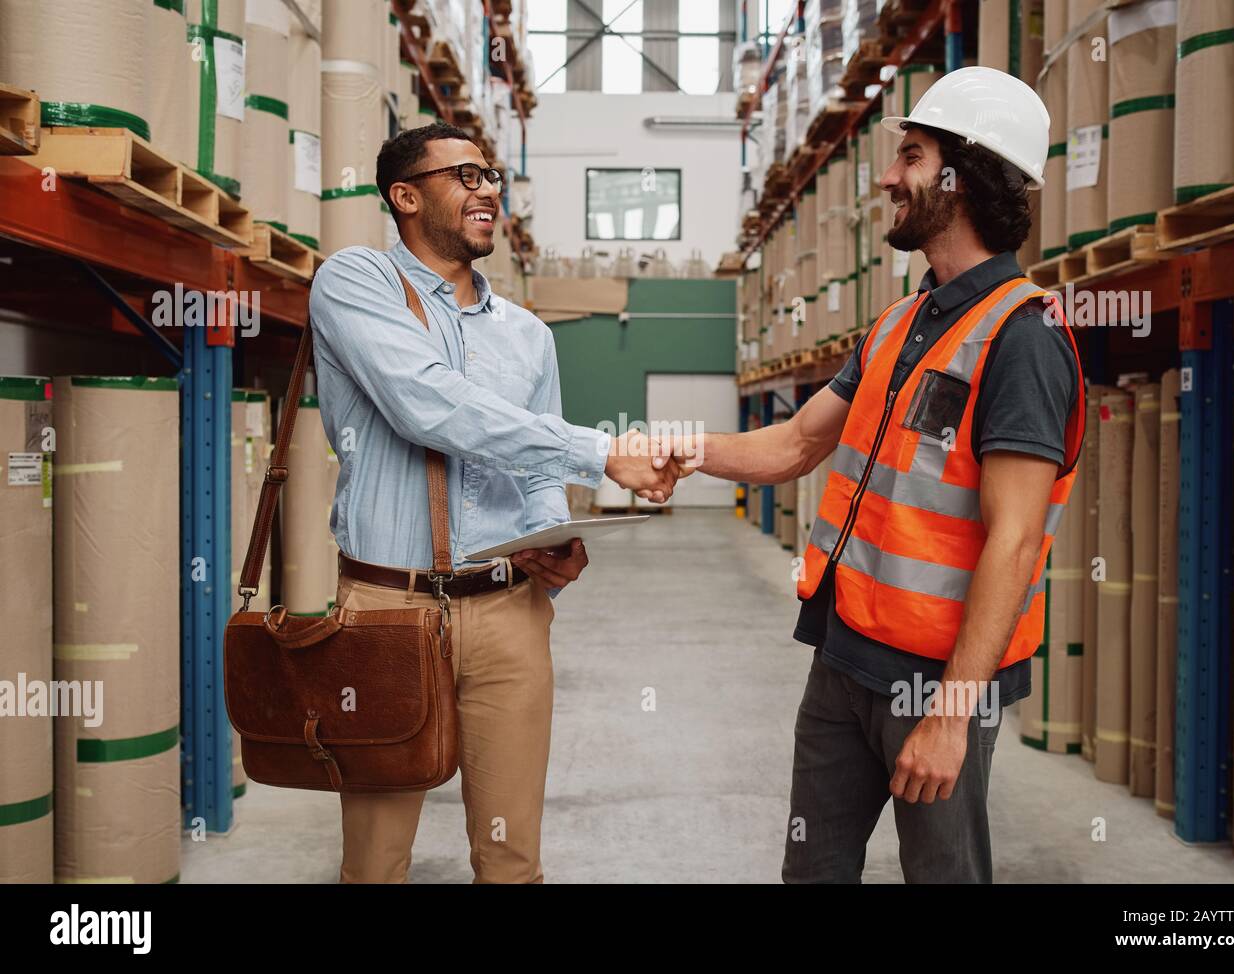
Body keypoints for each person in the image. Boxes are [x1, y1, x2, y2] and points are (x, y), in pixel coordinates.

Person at [663, 67, 1085, 883]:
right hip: (843, 656)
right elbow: (792, 445)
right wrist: (675, 449)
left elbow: (1017, 538)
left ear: (966, 176)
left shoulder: (1023, 336)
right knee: (812, 871)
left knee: (942, 876)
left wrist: (953, 716)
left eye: (913, 156)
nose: (890, 177)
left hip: (935, 682)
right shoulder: (899, 321)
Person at [307, 122, 680, 883]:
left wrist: (551, 534)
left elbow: (533, 460)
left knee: (512, 859)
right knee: (375, 861)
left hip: (510, 613)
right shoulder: (355, 283)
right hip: (389, 609)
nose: (487, 189)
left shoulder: (528, 336)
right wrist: (602, 451)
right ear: (405, 197)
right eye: (464, 175)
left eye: (492, 175)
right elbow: (429, 406)